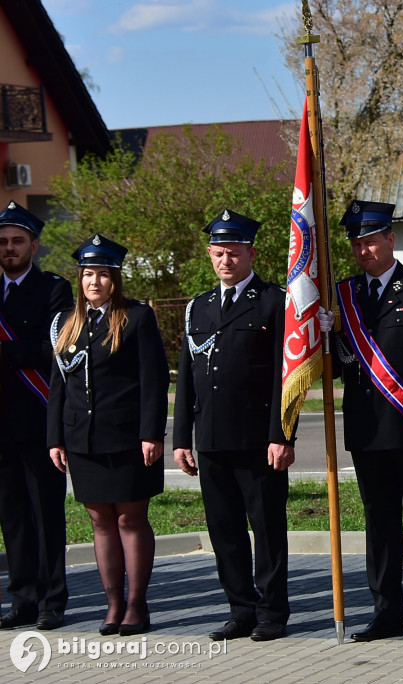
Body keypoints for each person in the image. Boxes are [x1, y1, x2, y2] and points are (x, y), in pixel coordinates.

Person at [332, 200, 403, 644]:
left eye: (372, 241)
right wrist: (328, 335)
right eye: (358, 243)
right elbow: (345, 364)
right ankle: (385, 611)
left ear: (390, 240)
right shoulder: (344, 295)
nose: (364, 250)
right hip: (367, 430)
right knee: (378, 525)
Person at [173, 209, 293, 642]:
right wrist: (181, 438)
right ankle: (240, 609)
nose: (226, 260)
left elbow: (287, 374)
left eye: (234, 252)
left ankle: (272, 613)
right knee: (224, 531)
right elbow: (187, 376)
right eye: (219, 253)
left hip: (258, 440)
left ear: (251, 253)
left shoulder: (274, 301)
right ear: (210, 255)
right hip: (210, 439)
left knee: (267, 530)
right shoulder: (198, 306)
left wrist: (281, 435)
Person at [47, 235, 168, 636]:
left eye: (101, 274)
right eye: (86, 274)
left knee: (130, 519)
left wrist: (151, 433)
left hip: (128, 439)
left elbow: (152, 381)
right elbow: (58, 387)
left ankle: (137, 605)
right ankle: (113, 604)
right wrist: (55, 438)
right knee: (100, 521)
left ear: (115, 278)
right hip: (83, 441)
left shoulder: (135, 317)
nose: (93, 282)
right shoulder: (67, 323)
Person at [0, 201, 73, 631]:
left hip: (41, 419)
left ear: (34, 246)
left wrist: (6, 353)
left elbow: (51, 348)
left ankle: (52, 600)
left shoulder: (53, 290)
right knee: (12, 516)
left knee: (46, 513)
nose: (9, 249)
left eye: (17, 242)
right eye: (4, 243)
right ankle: (22, 599)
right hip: (2, 426)